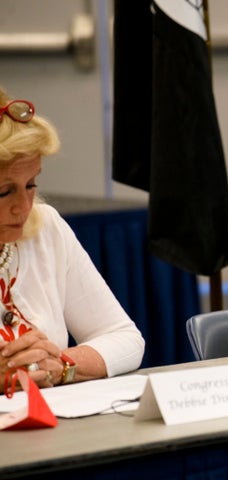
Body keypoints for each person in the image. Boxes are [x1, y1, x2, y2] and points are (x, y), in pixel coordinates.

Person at [0, 87, 145, 390]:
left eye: (31, 184)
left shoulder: (46, 228)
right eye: (5, 191)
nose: (24, 207)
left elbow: (126, 339)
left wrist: (60, 365)